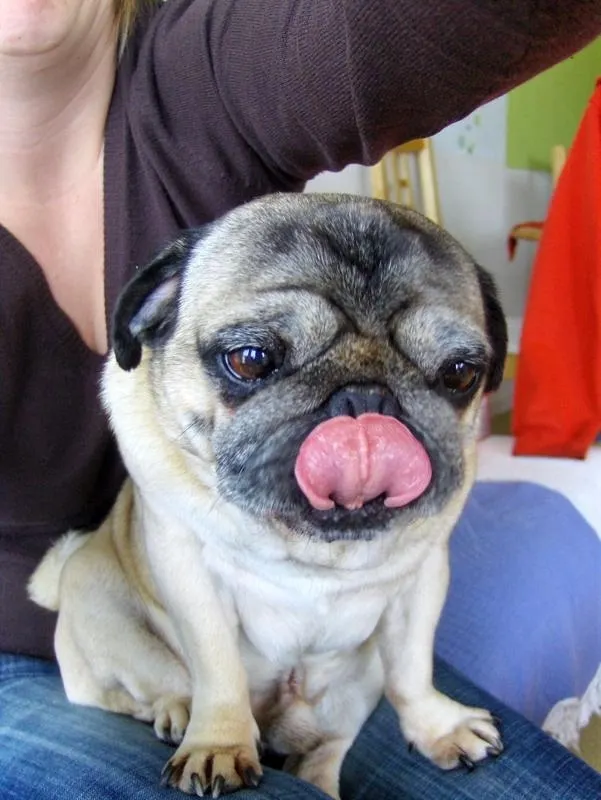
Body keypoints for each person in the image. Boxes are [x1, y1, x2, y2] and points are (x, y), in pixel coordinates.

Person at [2, 0, 601, 797]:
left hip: (333, 646)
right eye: (253, 360)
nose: (357, 418)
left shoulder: (203, 72)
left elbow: (417, 32)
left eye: (449, 374)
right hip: (65, 641)